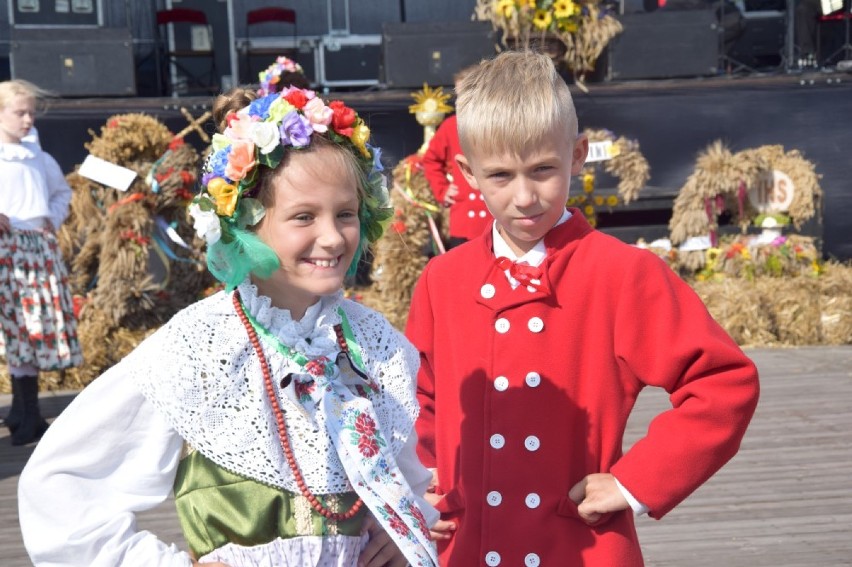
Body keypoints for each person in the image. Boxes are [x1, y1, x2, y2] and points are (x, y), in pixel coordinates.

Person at [19, 84, 445, 566]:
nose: (331, 237)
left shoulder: (375, 344)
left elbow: (420, 477)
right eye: (303, 216)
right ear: (244, 222)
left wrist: (406, 528)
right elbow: (61, 485)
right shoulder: (203, 345)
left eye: (346, 214)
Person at [406, 51, 760, 566]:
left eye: (543, 170)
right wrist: (421, 485)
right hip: (465, 545)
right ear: (467, 173)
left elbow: (724, 383)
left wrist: (635, 482)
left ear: (578, 155)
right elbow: (421, 402)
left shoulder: (622, 274)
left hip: (579, 546)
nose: (525, 196)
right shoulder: (444, 279)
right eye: (501, 175)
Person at [0, 79, 82, 446]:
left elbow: (62, 191)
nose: (28, 119)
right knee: (17, 326)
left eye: (31, 112)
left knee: (34, 325)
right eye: (19, 112)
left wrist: (51, 215)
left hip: (38, 248)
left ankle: (26, 411)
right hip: (9, 251)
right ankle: (24, 410)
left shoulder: (38, 157)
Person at [421, 67, 493, 250]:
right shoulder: (450, 126)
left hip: (494, 216)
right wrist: (442, 189)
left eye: (467, 95)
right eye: (459, 95)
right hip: (463, 220)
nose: (461, 102)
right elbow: (431, 159)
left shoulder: (497, 124)